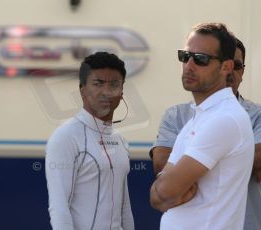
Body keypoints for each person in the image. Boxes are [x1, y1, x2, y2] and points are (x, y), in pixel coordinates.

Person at [149, 23, 254, 229]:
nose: (189, 65)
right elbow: (157, 197)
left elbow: (164, 192)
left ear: (226, 67)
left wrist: (167, 188)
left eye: (201, 59)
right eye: (185, 56)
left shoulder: (225, 119)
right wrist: (166, 188)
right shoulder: (200, 116)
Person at [45, 52, 134, 230]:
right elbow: (59, 207)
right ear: (82, 89)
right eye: (98, 83)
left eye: (114, 84)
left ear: (122, 91)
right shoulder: (65, 137)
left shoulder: (120, 141)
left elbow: (124, 206)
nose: (107, 92)